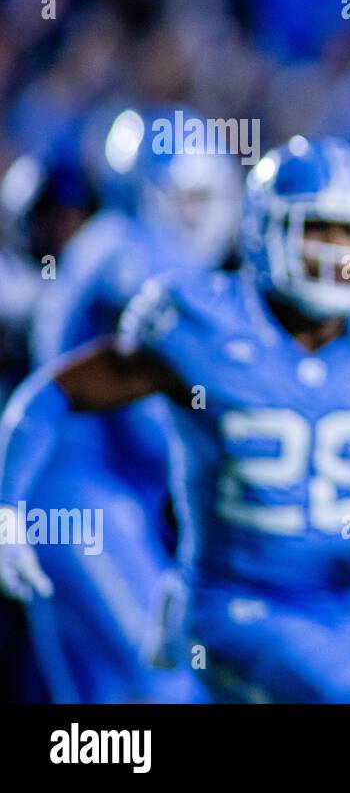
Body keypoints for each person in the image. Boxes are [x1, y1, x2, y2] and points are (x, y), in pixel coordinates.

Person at [0, 135, 350, 703]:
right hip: (235, 604)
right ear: (266, 230)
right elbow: (53, 394)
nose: (339, 251)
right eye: (320, 229)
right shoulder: (203, 328)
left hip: (344, 610)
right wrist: (9, 509)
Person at [0, 107, 241, 702]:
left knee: (97, 712)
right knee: (167, 682)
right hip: (82, 499)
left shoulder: (110, 245)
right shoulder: (135, 259)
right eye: (185, 197)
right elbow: (146, 422)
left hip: (73, 497)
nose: (197, 215)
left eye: (205, 197)